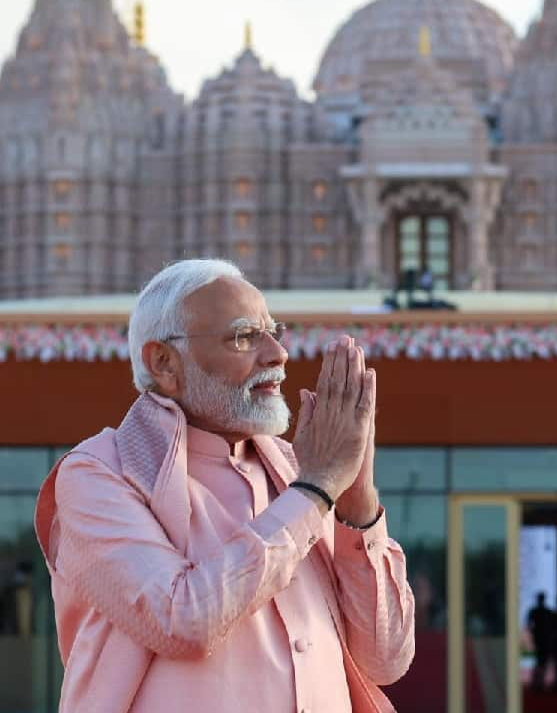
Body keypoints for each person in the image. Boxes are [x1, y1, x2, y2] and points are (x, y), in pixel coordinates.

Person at [35, 258, 415, 712]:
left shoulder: (298, 473)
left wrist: (356, 497)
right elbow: (180, 621)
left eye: (275, 332)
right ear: (164, 363)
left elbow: (387, 658)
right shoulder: (99, 475)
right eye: (243, 336)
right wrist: (315, 492)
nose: (277, 354)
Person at [526, 591, 556, 690]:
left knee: (542, 660)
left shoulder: (544, 612)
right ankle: (539, 681)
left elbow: (529, 625)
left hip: (543, 638)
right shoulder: (545, 612)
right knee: (541, 660)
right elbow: (529, 625)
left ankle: (540, 681)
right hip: (542, 638)